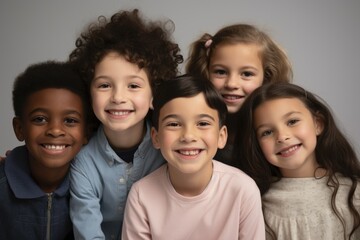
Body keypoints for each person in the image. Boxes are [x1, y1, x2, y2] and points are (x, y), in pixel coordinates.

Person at [68, 9, 183, 239]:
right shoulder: (83, 163)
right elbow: (87, 232)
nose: (118, 97)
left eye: (133, 86)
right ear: (88, 93)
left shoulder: (170, 150)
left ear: (155, 94)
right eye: (104, 85)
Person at [122, 75, 265, 240]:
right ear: (156, 137)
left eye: (203, 124)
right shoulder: (141, 195)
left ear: (221, 136)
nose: (188, 136)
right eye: (174, 124)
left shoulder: (242, 190)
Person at [235, 82, 360, 239]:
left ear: (318, 124)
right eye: (267, 132)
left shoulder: (354, 193)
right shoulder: (254, 202)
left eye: (292, 122)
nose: (282, 137)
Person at [0, 61, 91, 240]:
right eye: (40, 119)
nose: (55, 130)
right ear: (19, 128)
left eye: (70, 120)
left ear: (86, 133)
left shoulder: (92, 188)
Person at [186, 23, 293, 166]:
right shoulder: (191, 128)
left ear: (266, 77)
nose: (231, 84)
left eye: (247, 74)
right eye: (220, 72)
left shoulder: (278, 130)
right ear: (205, 72)